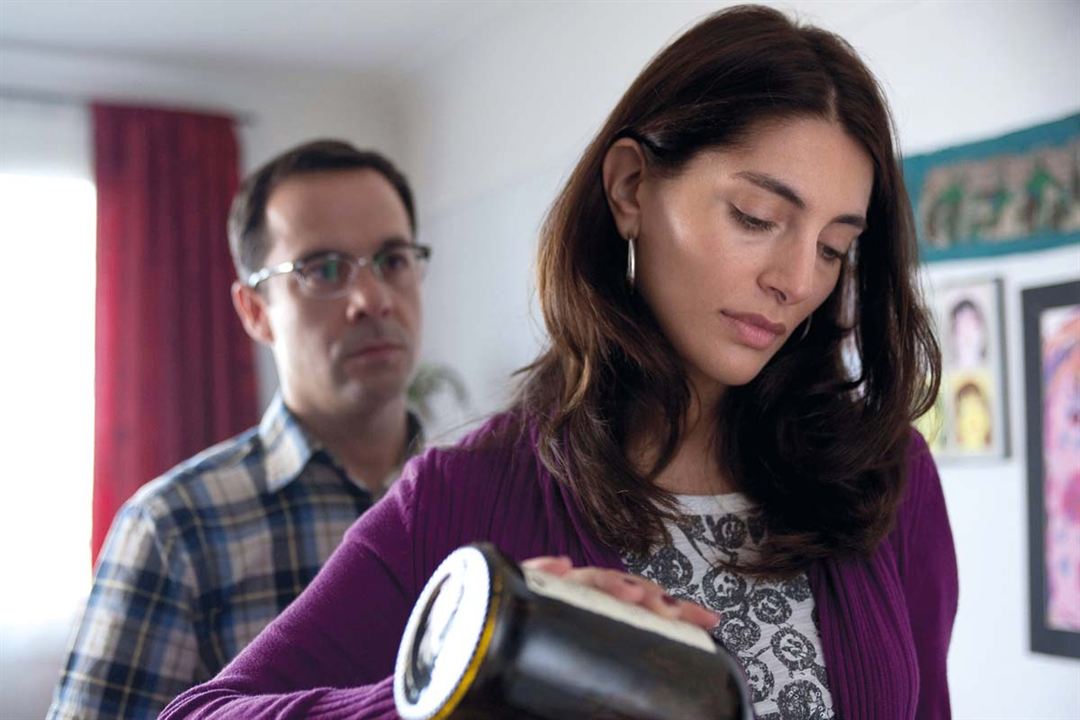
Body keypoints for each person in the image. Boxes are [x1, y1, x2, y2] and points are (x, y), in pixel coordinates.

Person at [162, 6, 957, 719]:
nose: (795, 282)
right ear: (630, 187)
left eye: (833, 247)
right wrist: (460, 680)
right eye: (757, 217)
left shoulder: (886, 476)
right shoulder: (456, 495)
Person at [48, 140, 430, 719]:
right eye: (323, 269)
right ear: (255, 311)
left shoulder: (479, 494)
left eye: (393, 261)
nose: (371, 299)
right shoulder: (175, 528)